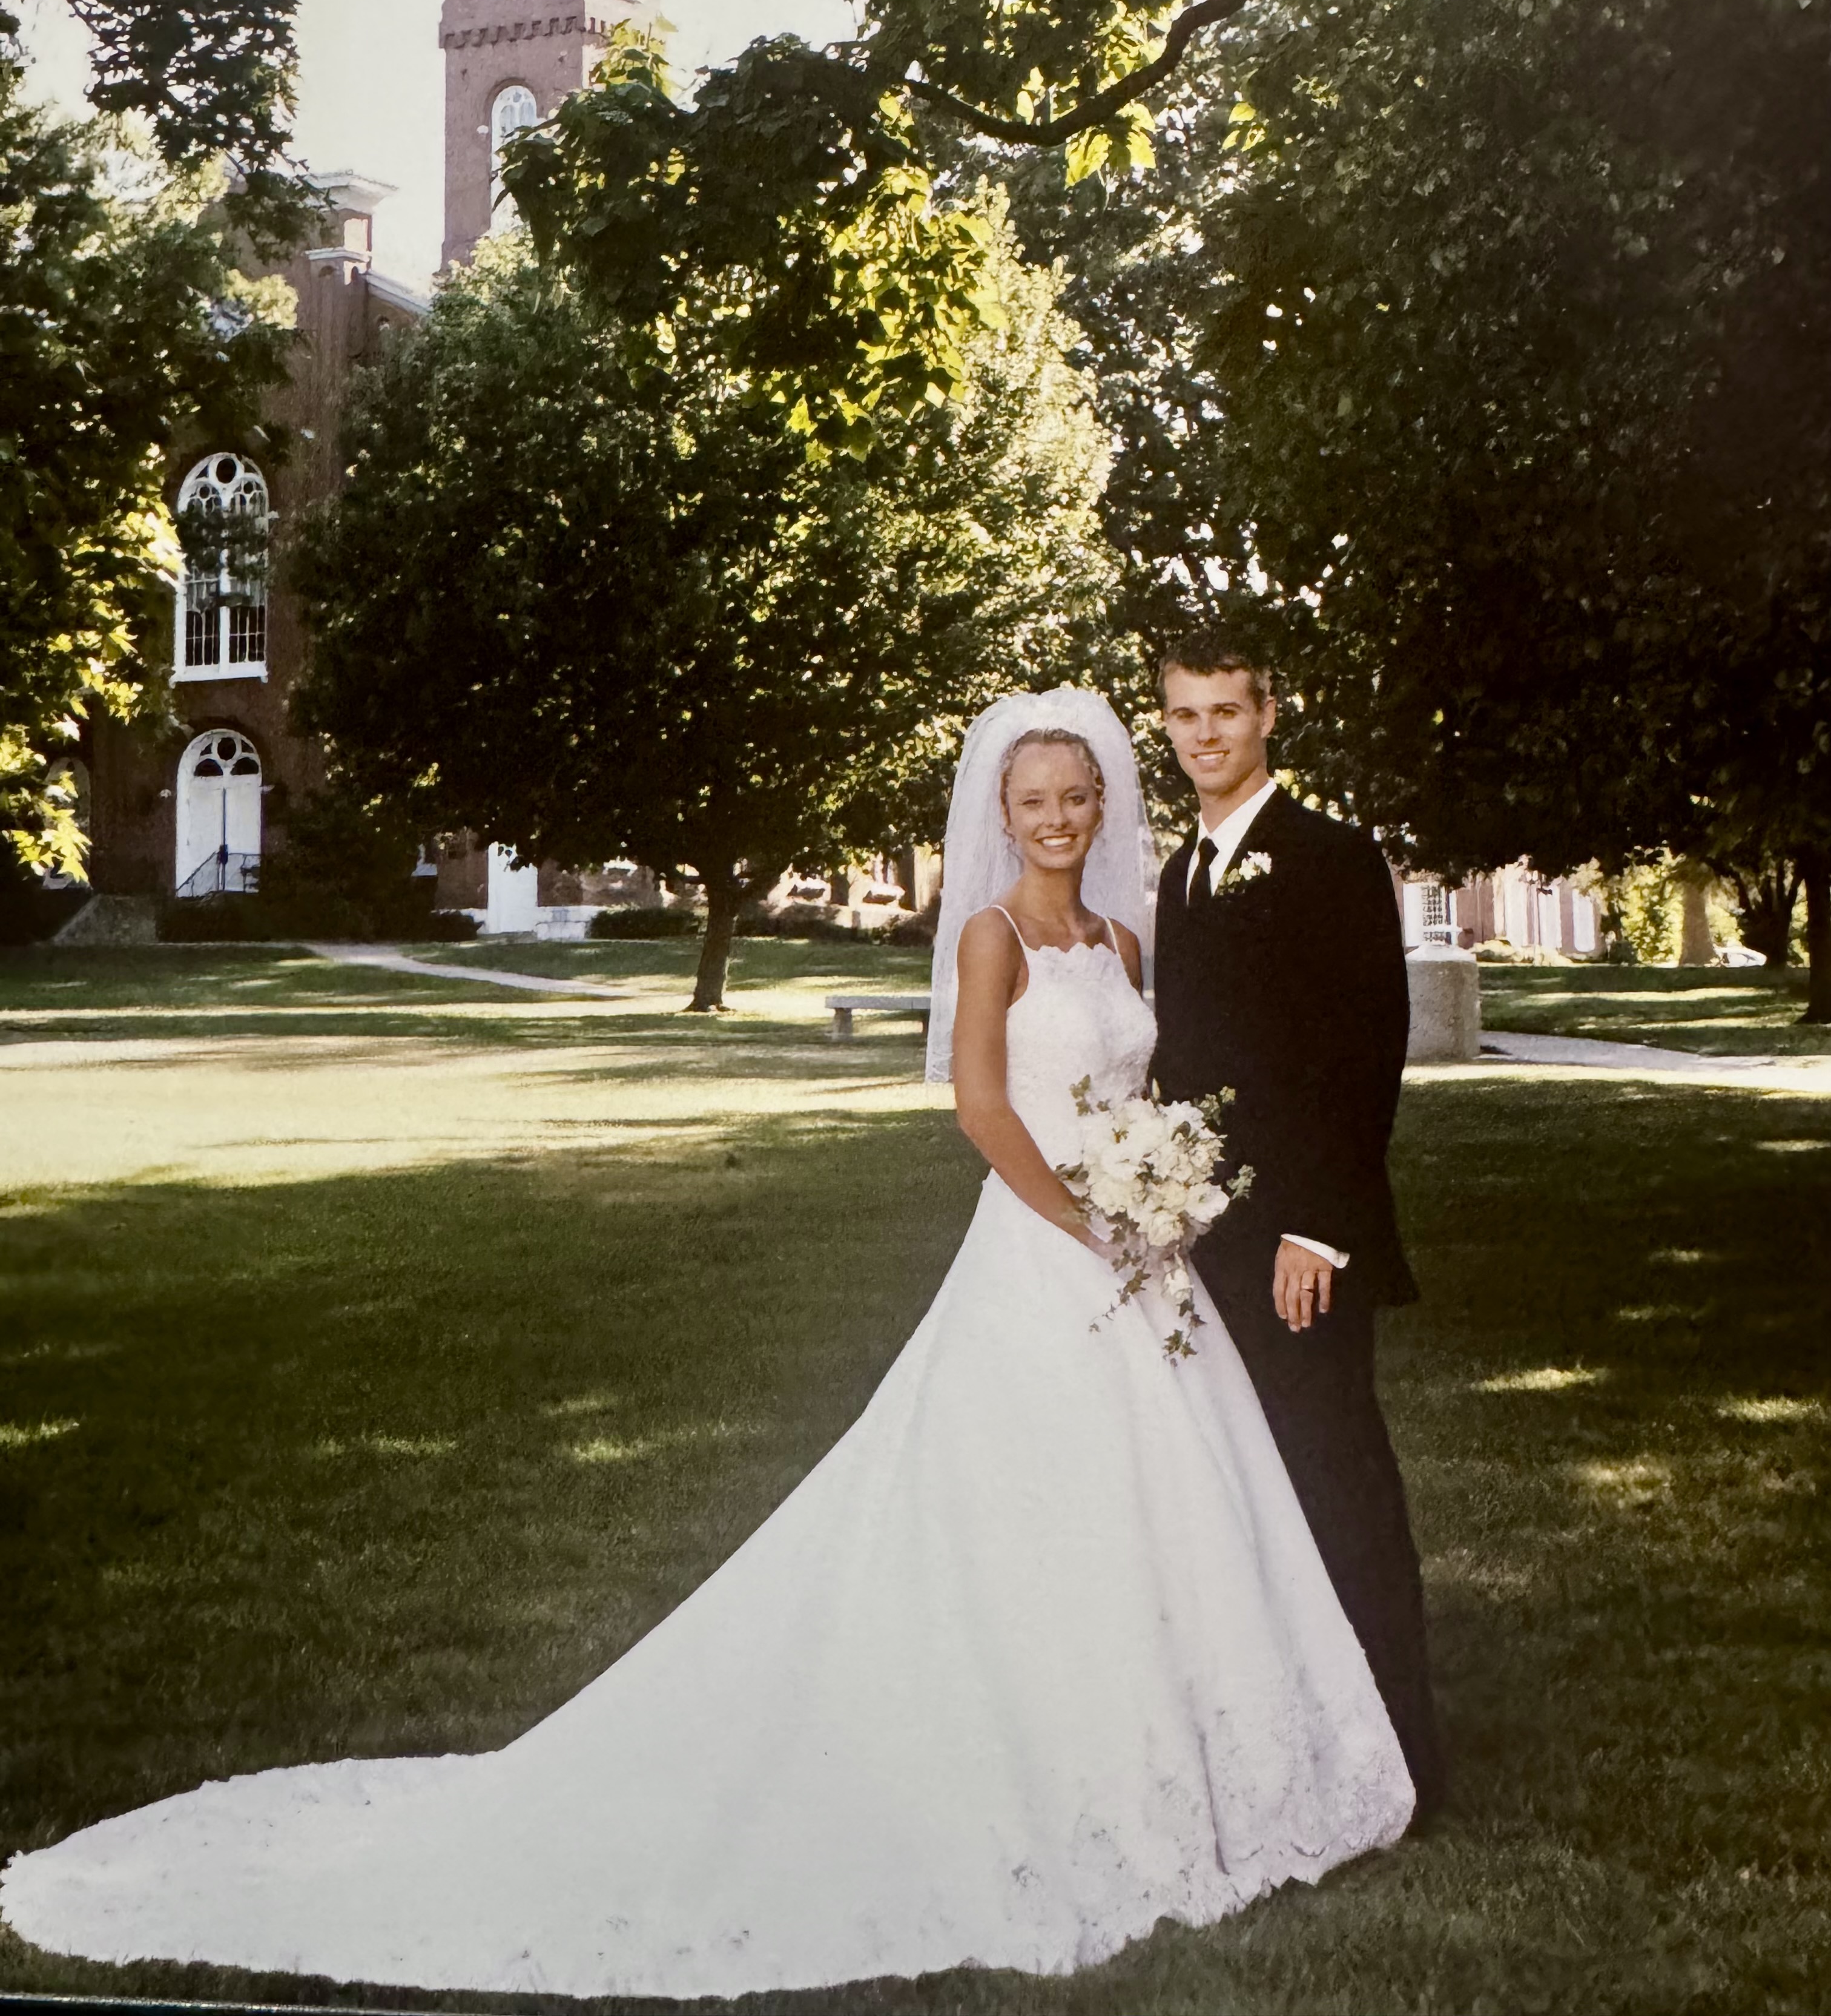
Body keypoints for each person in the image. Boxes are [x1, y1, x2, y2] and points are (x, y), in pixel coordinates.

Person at [1, 688, 1411, 2001]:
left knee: (1165, 1515)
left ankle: (1185, 1767)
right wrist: (1093, 1225)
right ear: (1003, 810)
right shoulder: (988, 938)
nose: (1055, 818)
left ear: (1104, 804)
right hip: (1048, 1259)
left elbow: (1159, 1080)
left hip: (1142, 1265)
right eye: (1032, 799)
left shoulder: (1122, 941)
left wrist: (1154, 1193)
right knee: (1011, 1516)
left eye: (1075, 797)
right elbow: (983, 1112)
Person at [1149, 627, 1445, 1816]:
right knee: (1247, 1494)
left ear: (1269, 715)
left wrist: (1319, 1228)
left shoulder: (1328, 855)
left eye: (1226, 712)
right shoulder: (1182, 871)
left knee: (1339, 1482)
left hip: (1301, 1247)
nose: (1206, 735)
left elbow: (1362, 1049)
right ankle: (1298, 1748)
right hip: (1208, 1241)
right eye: (1184, 716)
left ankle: (1404, 1760)